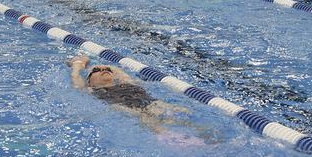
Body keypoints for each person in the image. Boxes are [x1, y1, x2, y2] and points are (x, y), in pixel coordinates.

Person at [66, 54, 210, 141]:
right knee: (145, 117)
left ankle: (208, 136)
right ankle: (167, 137)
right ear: (89, 81)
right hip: (131, 109)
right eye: (97, 71)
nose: (104, 70)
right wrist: (79, 64)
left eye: (107, 70)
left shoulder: (128, 83)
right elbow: (76, 78)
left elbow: (117, 70)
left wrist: (100, 66)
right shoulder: (92, 89)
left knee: (183, 114)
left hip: (154, 104)